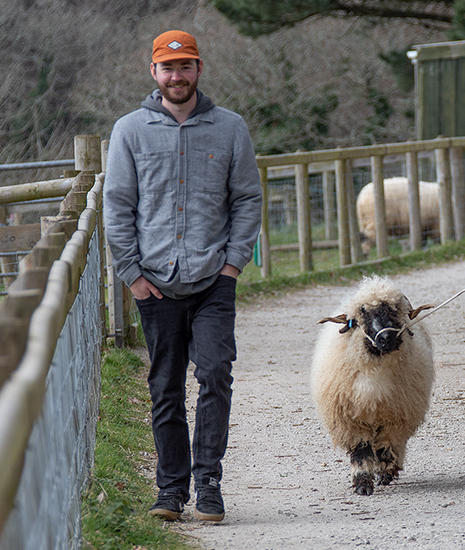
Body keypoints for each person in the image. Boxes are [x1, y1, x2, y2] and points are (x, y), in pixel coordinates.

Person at [103, 30, 262, 520]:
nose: (177, 76)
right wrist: (131, 275)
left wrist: (233, 265)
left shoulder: (230, 128)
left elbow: (247, 200)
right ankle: (170, 490)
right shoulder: (129, 131)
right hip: (154, 282)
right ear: (154, 72)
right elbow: (117, 206)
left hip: (214, 278)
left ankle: (208, 481)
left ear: (198, 69)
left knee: (215, 374)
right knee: (164, 385)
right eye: (168, 68)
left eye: (186, 66)